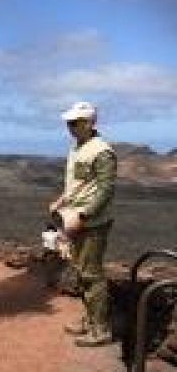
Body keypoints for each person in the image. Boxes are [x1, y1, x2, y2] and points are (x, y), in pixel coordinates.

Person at [49, 101, 117, 347]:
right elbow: (79, 184)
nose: (70, 127)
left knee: (91, 274)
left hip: (92, 222)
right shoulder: (78, 147)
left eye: (74, 123)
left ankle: (100, 330)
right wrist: (62, 200)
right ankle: (89, 320)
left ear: (89, 123)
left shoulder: (102, 151)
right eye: (69, 123)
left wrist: (84, 215)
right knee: (80, 271)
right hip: (75, 217)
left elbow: (105, 189)